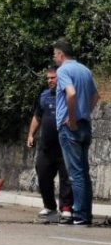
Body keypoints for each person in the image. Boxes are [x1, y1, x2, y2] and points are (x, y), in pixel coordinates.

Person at [53, 39, 100, 226]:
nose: (55, 58)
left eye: (55, 55)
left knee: (76, 173)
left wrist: (72, 119)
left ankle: (80, 214)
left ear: (61, 54)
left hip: (70, 128)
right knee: (84, 171)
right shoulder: (85, 70)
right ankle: (86, 214)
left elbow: (70, 93)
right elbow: (96, 96)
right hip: (85, 125)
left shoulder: (63, 70)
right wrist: (84, 113)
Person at [27, 67, 73, 222]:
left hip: (65, 146)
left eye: (53, 78)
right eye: (48, 78)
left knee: (66, 178)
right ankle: (50, 207)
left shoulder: (69, 95)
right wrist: (30, 135)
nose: (49, 80)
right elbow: (37, 116)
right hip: (46, 146)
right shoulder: (44, 96)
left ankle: (66, 209)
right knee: (43, 174)